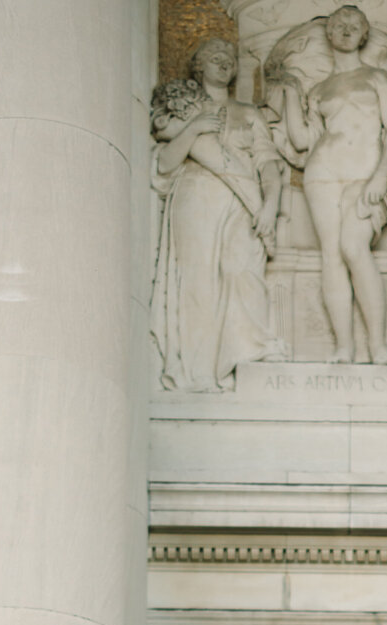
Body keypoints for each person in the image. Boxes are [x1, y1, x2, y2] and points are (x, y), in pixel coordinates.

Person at [279, 6, 387, 364]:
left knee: (353, 246)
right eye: (339, 25)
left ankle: (378, 345)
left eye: (354, 26)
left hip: (365, 173)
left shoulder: (378, 78)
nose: (346, 30)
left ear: (364, 35)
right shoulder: (319, 89)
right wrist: (288, 94)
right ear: (329, 34)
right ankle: (344, 346)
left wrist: (381, 175)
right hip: (322, 173)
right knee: (332, 256)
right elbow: (304, 141)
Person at [150, 40, 287, 392]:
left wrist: (270, 206)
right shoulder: (182, 111)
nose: (224, 63)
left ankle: (250, 351)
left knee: (243, 270)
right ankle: (199, 374)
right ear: (199, 66)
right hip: (196, 196)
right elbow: (165, 163)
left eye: (228, 59)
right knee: (198, 281)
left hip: (243, 204)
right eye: (215, 57)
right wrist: (193, 128)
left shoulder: (248, 113)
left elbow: (268, 164)